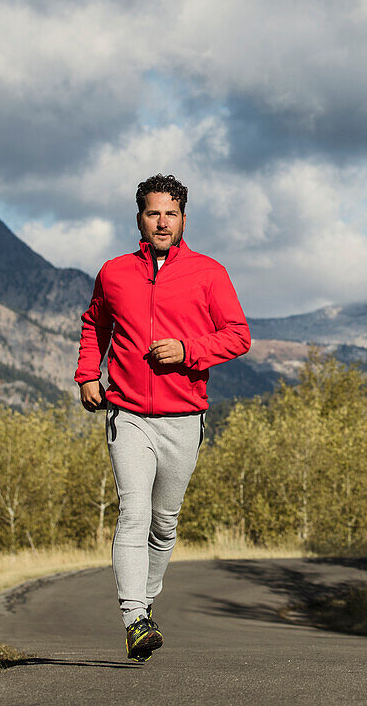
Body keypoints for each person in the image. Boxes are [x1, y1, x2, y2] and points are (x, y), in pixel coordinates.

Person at [75, 173, 251, 661]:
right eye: (153, 213)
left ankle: (146, 603)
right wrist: (89, 373)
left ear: (183, 220)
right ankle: (134, 617)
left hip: (183, 416)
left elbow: (238, 335)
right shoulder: (113, 272)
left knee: (164, 523)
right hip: (127, 411)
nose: (162, 222)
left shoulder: (209, 273)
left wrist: (188, 350)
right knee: (133, 512)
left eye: (170, 214)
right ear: (139, 219)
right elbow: (95, 323)